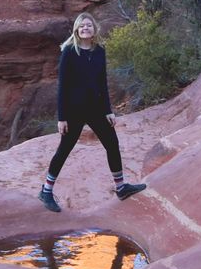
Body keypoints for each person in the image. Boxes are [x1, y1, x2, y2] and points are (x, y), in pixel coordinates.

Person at [39, 11, 146, 212]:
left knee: (112, 144)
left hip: (96, 109)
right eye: (82, 26)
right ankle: (46, 191)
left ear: (94, 28)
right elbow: (63, 86)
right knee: (65, 149)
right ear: (77, 30)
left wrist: (108, 110)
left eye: (88, 25)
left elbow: (101, 82)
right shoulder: (69, 51)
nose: (85, 28)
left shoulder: (99, 51)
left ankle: (121, 187)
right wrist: (61, 117)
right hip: (74, 110)